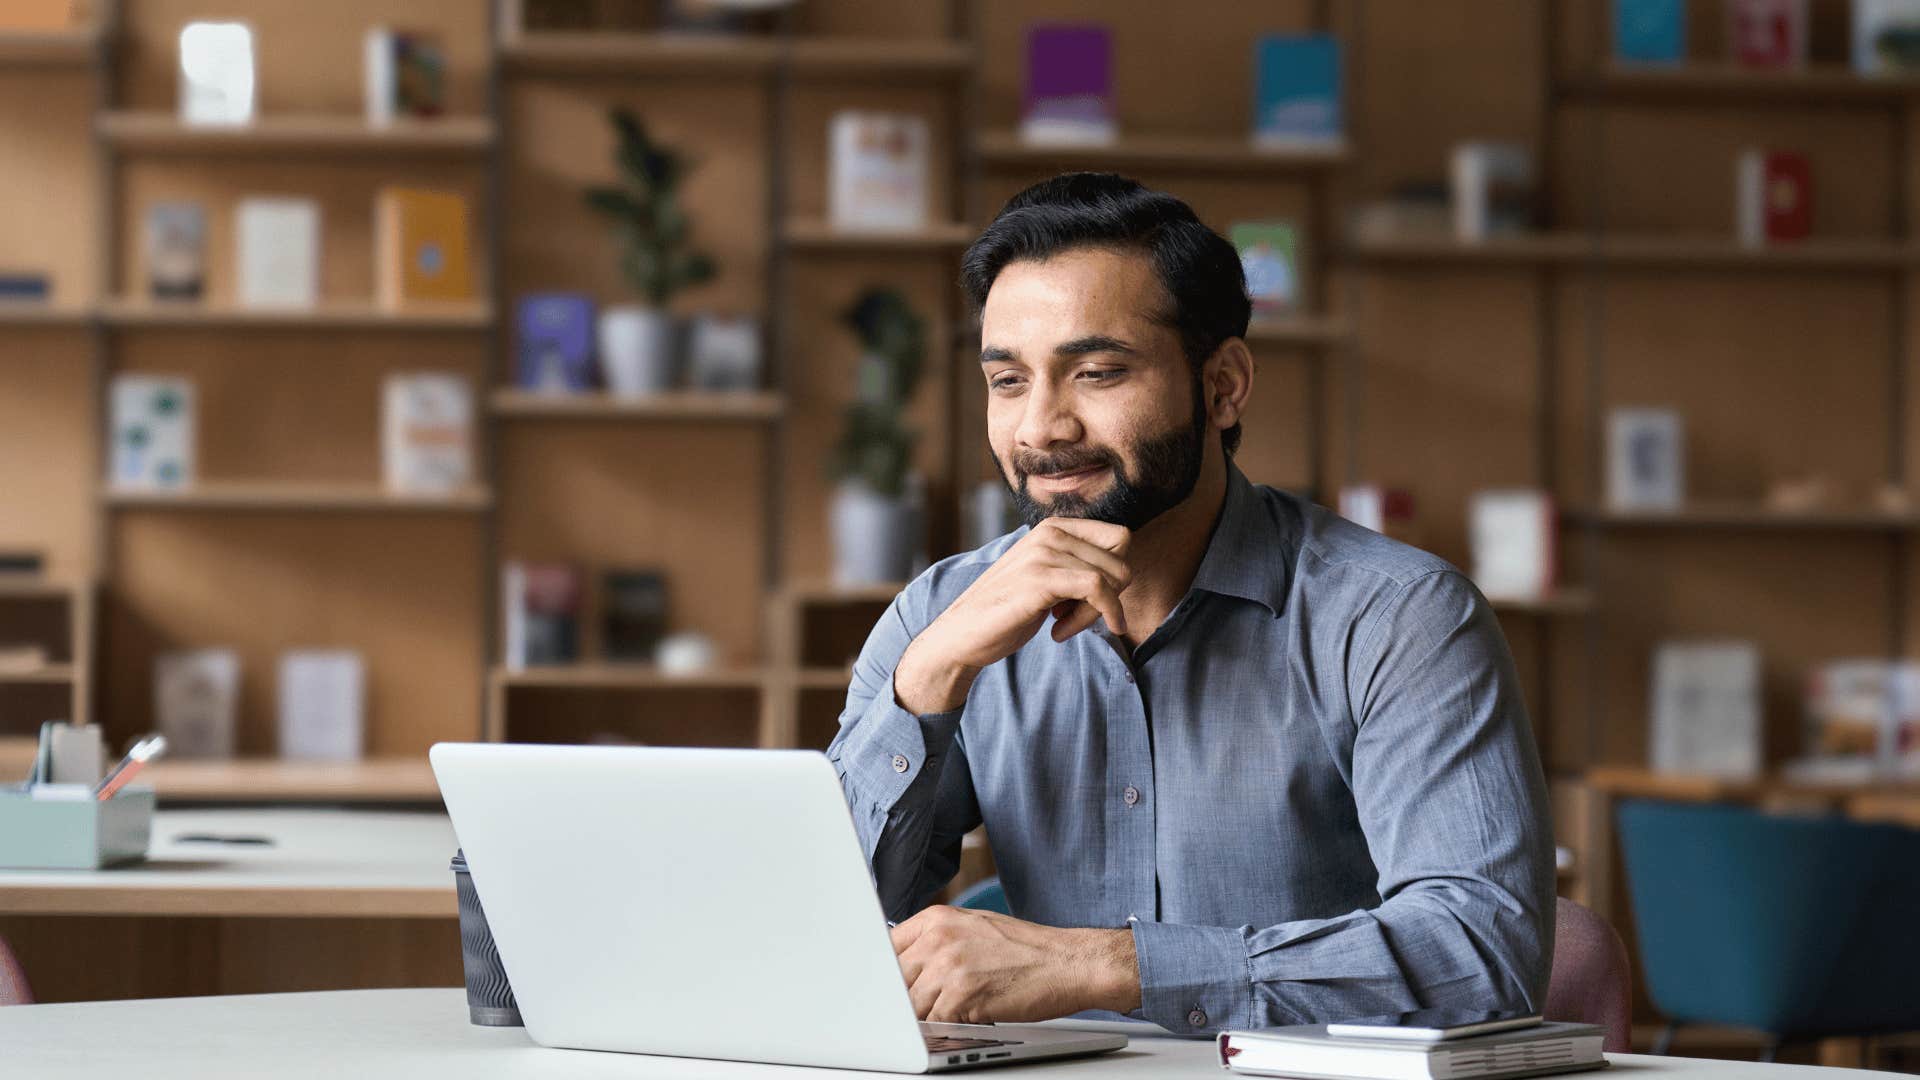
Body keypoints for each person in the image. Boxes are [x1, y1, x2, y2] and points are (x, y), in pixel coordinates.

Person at [827, 172, 1555, 1035]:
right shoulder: (939, 617)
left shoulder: (1400, 619)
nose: (1040, 430)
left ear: (1224, 386)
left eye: (1096, 372)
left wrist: (1108, 965)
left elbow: (1482, 955)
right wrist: (928, 683)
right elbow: (812, 936)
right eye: (1009, 381)